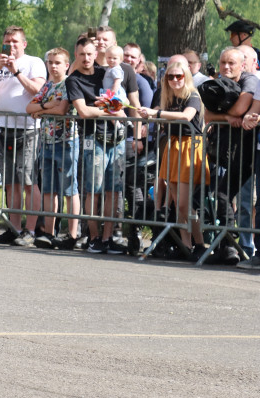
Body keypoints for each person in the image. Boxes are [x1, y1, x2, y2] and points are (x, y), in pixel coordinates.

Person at [140, 57, 208, 259]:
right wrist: (150, 115)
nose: (175, 80)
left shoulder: (193, 95)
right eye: (171, 76)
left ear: (186, 77)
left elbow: (187, 116)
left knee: (185, 203)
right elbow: (163, 118)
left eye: (179, 76)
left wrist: (157, 112)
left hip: (189, 148)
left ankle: (200, 243)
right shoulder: (168, 98)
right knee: (178, 202)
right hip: (173, 147)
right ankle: (186, 246)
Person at [66, 37, 127, 255]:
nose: (86, 58)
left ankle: (108, 237)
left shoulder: (105, 73)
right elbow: (83, 111)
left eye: (90, 54)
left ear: (95, 54)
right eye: (82, 54)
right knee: (93, 189)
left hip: (116, 138)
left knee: (113, 190)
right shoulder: (73, 80)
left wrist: (110, 109)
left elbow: (120, 102)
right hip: (93, 139)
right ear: (76, 55)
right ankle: (94, 237)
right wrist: (110, 110)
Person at [0, 26, 47, 246]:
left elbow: (37, 91)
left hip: (28, 129)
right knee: (11, 184)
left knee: (29, 182)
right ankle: (14, 229)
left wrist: (16, 71)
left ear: (24, 43)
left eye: (15, 41)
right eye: (7, 41)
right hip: (5, 129)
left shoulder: (34, 62)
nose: (11, 45)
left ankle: (30, 230)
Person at [202, 47, 256, 265]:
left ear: (242, 65)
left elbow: (240, 108)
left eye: (231, 63)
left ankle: (235, 247)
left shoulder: (249, 80)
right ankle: (226, 247)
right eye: (223, 62)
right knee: (219, 196)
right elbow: (207, 115)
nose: (226, 67)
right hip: (224, 149)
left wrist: (226, 114)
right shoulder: (218, 81)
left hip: (246, 150)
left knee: (231, 198)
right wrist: (227, 116)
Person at [28, 48, 80, 250]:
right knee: (49, 190)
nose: (53, 66)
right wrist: (46, 106)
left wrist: (43, 108)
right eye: (50, 62)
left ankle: (72, 234)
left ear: (66, 65)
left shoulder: (69, 83)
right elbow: (29, 108)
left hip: (67, 142)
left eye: (57, 62)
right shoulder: (48, 85)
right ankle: (49, 233)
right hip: (47, 142)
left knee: (69, 188)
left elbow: (62, 109)